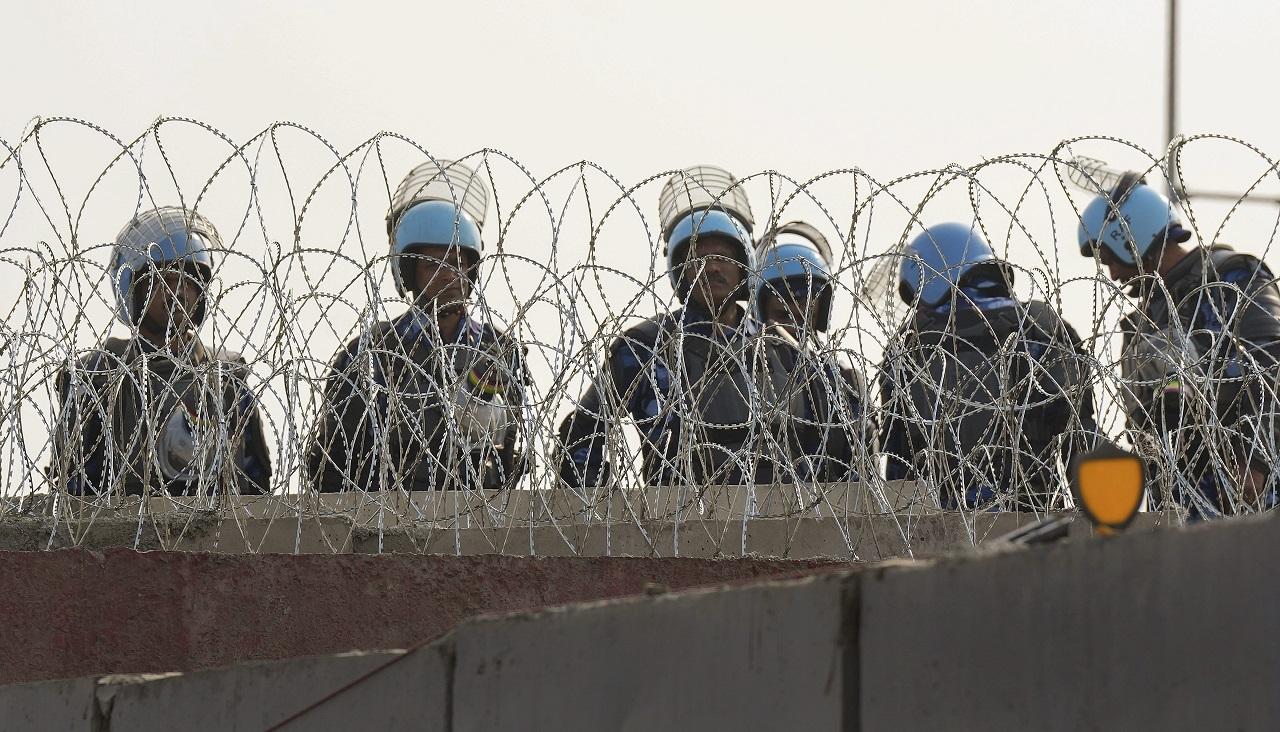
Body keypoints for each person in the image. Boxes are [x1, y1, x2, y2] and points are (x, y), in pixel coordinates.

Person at [558, 166, 827, 489]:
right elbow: (581, 432)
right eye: (698, 258)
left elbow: (824, 445)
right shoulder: (646, 345)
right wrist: (607, 513)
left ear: (744, 266)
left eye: (723, 257)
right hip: (675, 520)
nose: (711, 267)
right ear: (680, 270)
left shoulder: (783, 350)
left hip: (780, 520)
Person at [307, 160, 526, 492]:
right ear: (407, 273)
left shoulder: (499, 349)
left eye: (457, 261)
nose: (449, 273)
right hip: (389, 514)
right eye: (432, 263)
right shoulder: (372, 351)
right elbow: (333, 461)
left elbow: (510, 445)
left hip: (481, 516)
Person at [1077, 174, 1280, 518]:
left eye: (1111, 258)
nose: (1112, 275)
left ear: (1131, 239)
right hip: (1179, 496)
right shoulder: (1143, 322)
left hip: (1249, 483)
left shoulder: (1230, 280)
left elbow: (1269, 362)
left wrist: (1256, 457)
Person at [50, 206, 272, 496]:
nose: (178, 292)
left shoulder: (227, 374)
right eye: (162, 280)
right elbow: (72, 482)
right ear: (134, 290)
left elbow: (256, 481)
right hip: (124, 531)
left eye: (189, 281)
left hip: (222, 532)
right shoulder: (99, 373)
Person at [880, 222, 1094, 511]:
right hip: (1033, 519)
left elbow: (899, 464)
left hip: (936, 526)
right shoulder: (1038, 326)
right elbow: (1079, 435)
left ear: (928, 281)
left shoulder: (907, 350)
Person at [753, 221, 870, 482]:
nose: (795, 305)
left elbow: (864, 461)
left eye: (806, 294)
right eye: (783, 295)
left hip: (839, 509)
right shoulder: (746, 369)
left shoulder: (844, 380)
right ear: (762, 303)